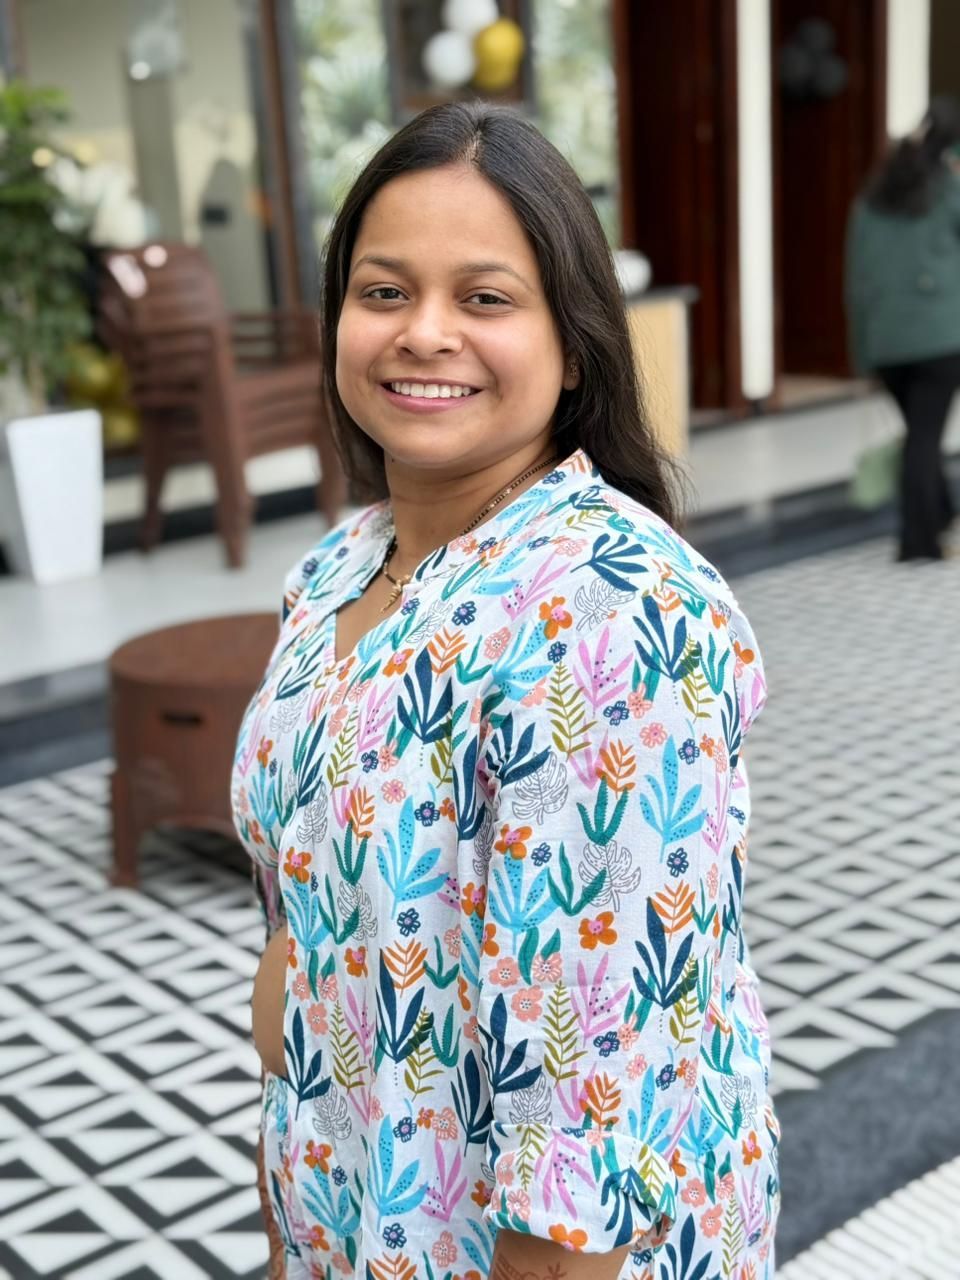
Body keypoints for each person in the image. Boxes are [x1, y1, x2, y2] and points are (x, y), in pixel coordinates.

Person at [232, 101, 779, 1280]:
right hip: (354, 1200)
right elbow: (303, 917)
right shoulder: (336, 571)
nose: (424, 332)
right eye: (383, 291)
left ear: (573, 345)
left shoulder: (615, 611)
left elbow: (597, 1085)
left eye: (485, 297)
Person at [845, 95, 960, 561]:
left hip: (886, 343)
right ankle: (918, 542)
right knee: (924, 437)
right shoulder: (947, 191)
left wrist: (863, 358)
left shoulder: (868, 202)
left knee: (920, 431)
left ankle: (943, 513)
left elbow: (855, 285)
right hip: (941, 340)